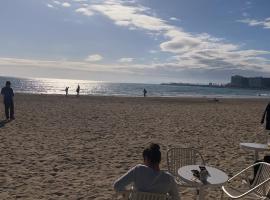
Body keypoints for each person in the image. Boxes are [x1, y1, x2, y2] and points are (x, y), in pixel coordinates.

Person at [113, 143, 180, 200]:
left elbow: (117, 185)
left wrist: (126, 197)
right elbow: (176, 198)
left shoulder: (139, 170)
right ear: (159, 160)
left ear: (146, 158)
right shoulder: (169, 178)